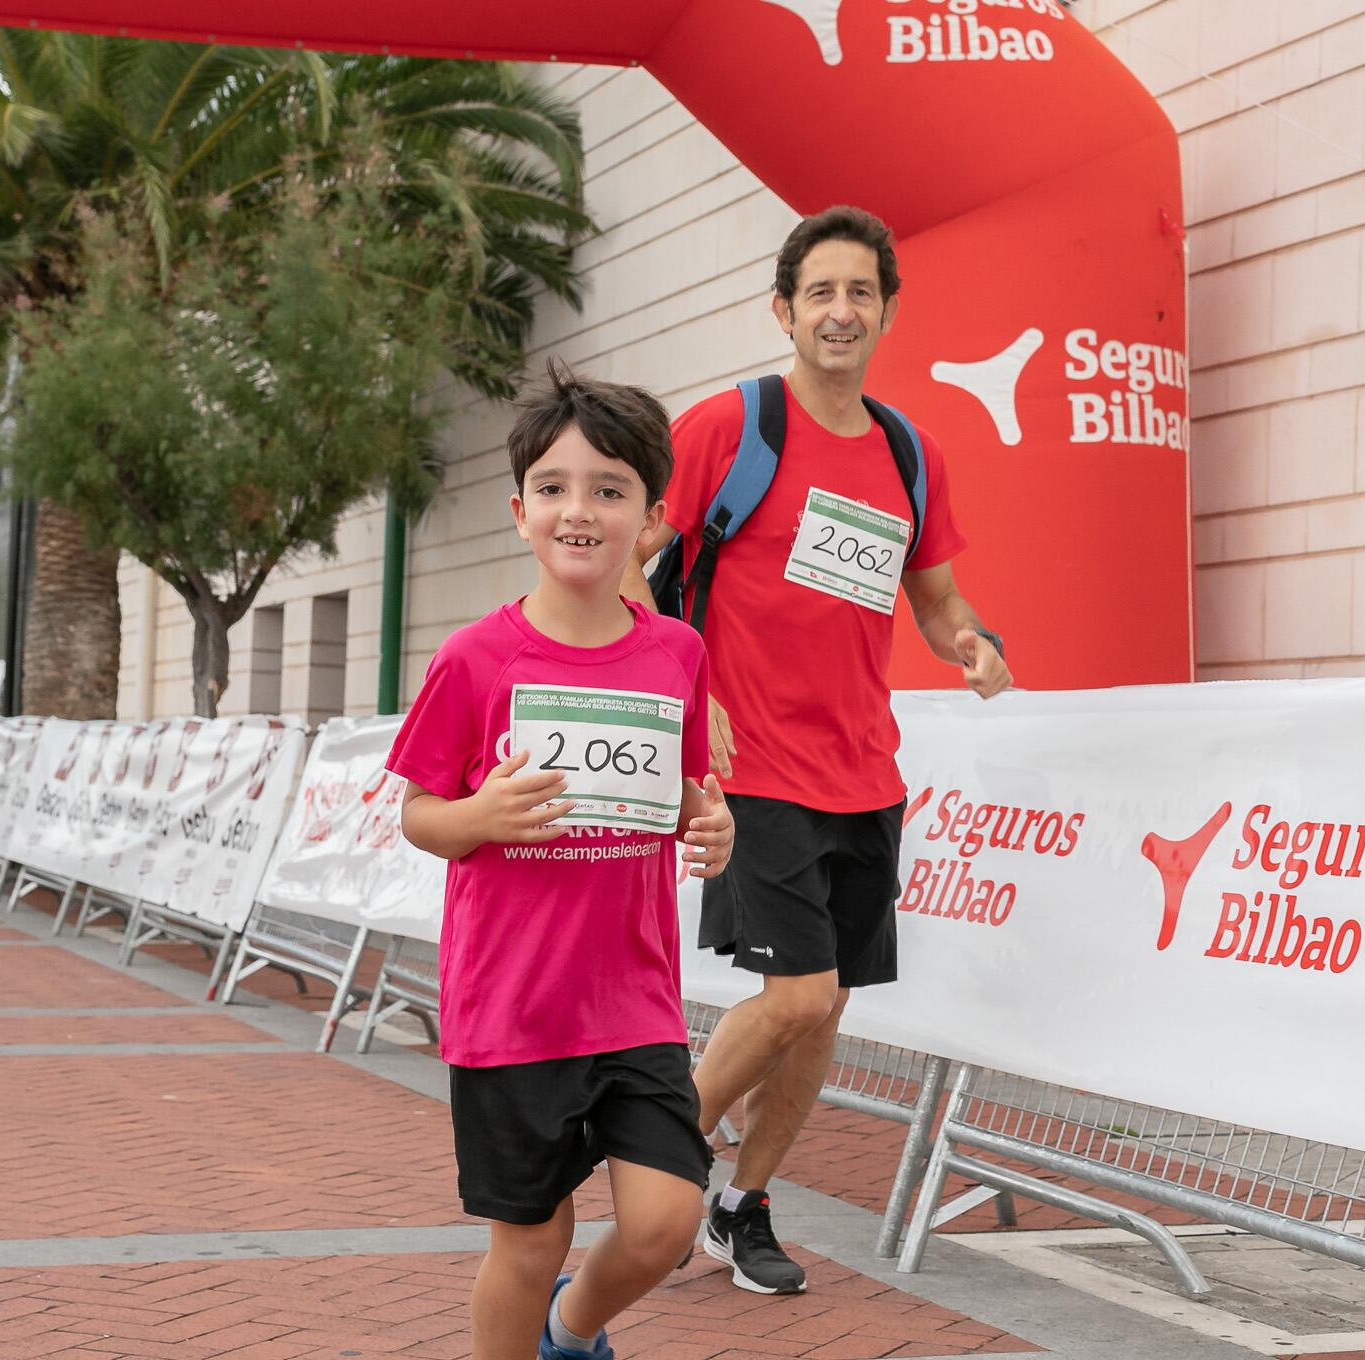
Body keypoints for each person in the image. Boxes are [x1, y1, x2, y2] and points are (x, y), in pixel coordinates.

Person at [625, 206, 1013, 1296]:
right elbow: (627, 558)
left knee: (823, 1008)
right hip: (751, 772)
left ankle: (739, 1206)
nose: (842, 310)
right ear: (783, 309)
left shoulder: (906, 451)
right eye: (822, 292)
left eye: (861, 292)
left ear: (887, 310)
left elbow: (936, 603)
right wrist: (683, 696)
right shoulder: (730, 427)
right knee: (795, 996)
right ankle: (649, 1155)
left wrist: (974, 644)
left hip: (865, 773)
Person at [390, 365, 735, 1360]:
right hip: (513, 1004)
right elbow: (419, 813)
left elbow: (687, 796)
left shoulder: (676, 653)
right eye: (553, 487)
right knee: (534, 1238)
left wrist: (711, 830)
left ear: (652, 515)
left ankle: (574, 1333)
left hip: (635, 998)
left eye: (609, 488)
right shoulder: (474, 658)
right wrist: (480, 814)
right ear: (519, 509)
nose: (578, 510)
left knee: (667, 1220)